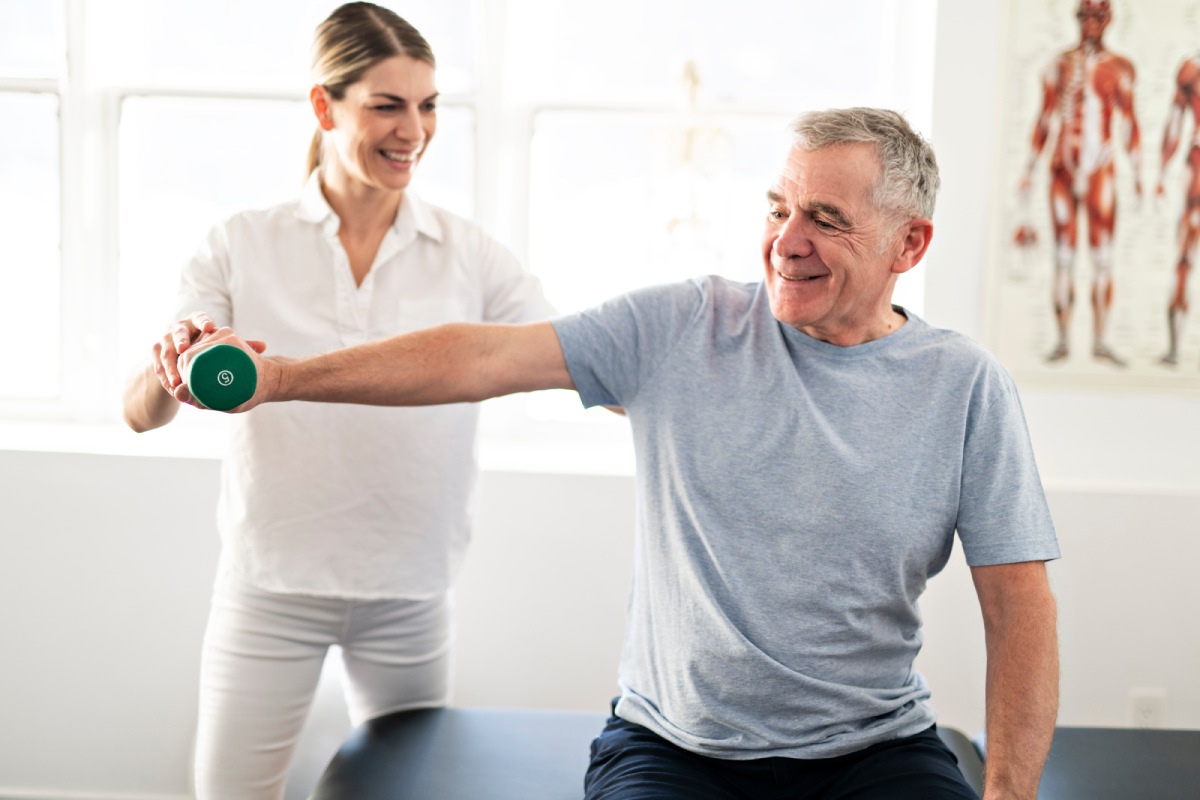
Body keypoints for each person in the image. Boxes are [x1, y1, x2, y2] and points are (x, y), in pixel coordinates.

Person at [163, 107, 1061, 800]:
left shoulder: (963, 387)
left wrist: (1009, 792)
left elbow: (1018, 605)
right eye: (780, 209)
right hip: (676, 750)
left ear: (910, 243)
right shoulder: (684, 327)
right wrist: (280, 378)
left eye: (826, 219)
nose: (787, 243)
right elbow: (479, 355)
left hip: (873, 750)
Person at [122, 3, 553, 798]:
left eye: (428, 106)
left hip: (409, 588)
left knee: (411, 792)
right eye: (387, 104)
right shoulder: (241, 242)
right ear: (325, 107)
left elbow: (566, 355)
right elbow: (141, 412)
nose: (414, 130)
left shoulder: (470, 255)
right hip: (270, 586)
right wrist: (168, 368)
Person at [1012, 0, 1142, 366]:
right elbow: (1043, 120)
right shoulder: (1058, 65)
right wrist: (1028, 169)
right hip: (1062, 169)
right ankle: (1063, 340)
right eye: (1084, 16)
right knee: (1064, 258)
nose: (1090, 23)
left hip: (1101, 168)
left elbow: (1130, 123)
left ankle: (1100, 339)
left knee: (1102, 259)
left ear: (1109, 19)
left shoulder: (1120, 68)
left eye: (1097, 16)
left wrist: (1136, 176)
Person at [1155, 52, 1200, 367]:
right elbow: (1174, 122)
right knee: (1184, 253)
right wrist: (1160, 171)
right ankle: (1174, 347)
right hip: (1197, 168)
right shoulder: (1191, 69)